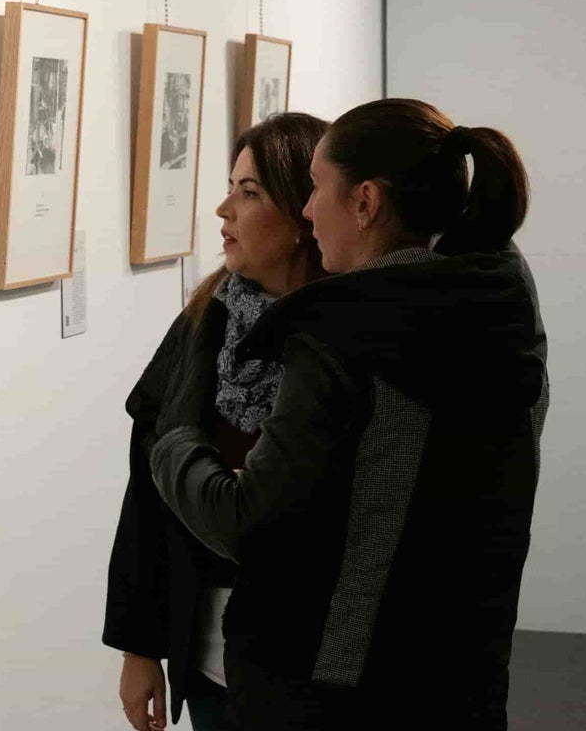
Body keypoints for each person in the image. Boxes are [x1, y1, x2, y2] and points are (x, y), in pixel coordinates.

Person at [148, 98, 549, 729]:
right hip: (462, 671)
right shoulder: (504, 302)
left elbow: (249, 524)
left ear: (364, 202)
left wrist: (171, 444)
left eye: (314, 189)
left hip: (328, 690)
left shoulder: (337, 335)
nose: (308, 211)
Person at [103, 112, 329, 730]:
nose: (223, 209)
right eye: (232, 186)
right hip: (210, 656)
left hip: (317, 665)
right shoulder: (207, 321)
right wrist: (139, 647)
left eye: (249, 192)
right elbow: (148, 491)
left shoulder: (345, 337)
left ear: (305, 211)